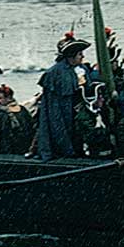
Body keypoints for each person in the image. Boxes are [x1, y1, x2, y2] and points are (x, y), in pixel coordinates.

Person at [36, 33, 90, 161]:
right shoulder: (55, 72)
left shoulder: (80, 68)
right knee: (60, 128)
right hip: (60, 108)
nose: (82, 56)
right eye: (79, 54)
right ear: (71, 56)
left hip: (76, 109)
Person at [0, 85, 35, 155]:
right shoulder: (23, 109)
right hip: (24, 146)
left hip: (10, 148)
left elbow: (3, 135)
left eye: (0, 98)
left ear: (8, 98)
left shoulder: (3, 114)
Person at [74, 81, 114, 158]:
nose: (102, 100)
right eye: (100, 98)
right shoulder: (83, 117)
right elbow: (92, 137)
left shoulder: (105, 111)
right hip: (92, 154)